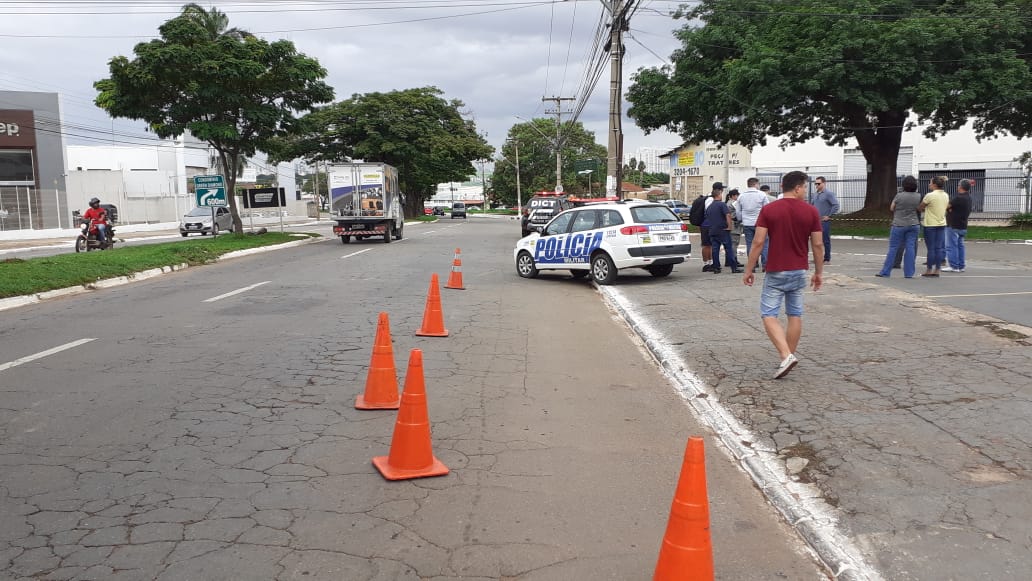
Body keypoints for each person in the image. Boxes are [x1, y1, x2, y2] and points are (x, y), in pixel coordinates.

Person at [742, 170, 823, 379]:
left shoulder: (769, 210)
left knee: (769, 314)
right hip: (799, 270)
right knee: (794, 314)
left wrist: (749, 269)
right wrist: (818, 272)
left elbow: (758, 242)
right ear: (797, 188)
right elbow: (818, 244)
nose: (805, 191)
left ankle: (786, 356)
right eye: (804, 187)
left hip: (776, 270)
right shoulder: (811, 211)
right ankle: (788, 356)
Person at [876, 176, 922, 278]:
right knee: (910, 247)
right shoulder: (918, 196)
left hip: (899, 224)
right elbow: (919, 208)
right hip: (914, 224)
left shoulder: (899, 195)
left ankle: (885, 271)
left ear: (904, 185)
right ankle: (909, 273)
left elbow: (892, 208)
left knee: (893, 248)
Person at [918, 176, 950, 277]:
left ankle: (929, 269)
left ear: (935, 185)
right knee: (938, 248)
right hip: (941, 223)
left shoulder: (929, 195)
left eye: (930, 183)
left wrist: (926, 208)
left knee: (931, 249)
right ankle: (937, 269)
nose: (929, 184)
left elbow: (920, 207)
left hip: (930, 224)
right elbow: (946, 207)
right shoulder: (946, 195)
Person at [704, 187, 741, 274]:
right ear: (719, 195)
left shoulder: (709, 207)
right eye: (721, 194)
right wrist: (729, 226)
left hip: (713, 230)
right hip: (723, 230)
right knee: (728, 248)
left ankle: (716, 267)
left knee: (715, 249)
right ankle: (733, 267)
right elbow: (728, 215)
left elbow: (708, 217)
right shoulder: (722, 204)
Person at [739, 178, 769, 270]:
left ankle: (752, 265)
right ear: (756, 184)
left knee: (750, 244)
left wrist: (741, 219)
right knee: (764, 243)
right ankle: (765, 265)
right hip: (761, 224)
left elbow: (738, 211)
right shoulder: (762, 195)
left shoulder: (741, 196)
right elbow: (767, 209)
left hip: (747, 223)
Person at [943, 179, 972, 272]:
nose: (957, 186)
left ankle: (954, 266)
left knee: (951, 246)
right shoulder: (969, 198)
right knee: (960, 246)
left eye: (958, 185)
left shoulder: (958, 198)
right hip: (963, 225)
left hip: (953, 225)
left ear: (961, 187)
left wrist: (950, 209)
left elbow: (946, 206)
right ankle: (961, 265)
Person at [812, 177, 840, 264]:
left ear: (824, 183)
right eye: (815, 183)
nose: (816, 185)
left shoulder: (829, 194)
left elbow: (836, 205)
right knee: (815, 241)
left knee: (825, 240)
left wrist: (829, 216)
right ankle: (817, 258)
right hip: (815, 221)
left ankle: (827, 258)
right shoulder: (815, 194)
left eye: (818, 183)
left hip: (824, 222)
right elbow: (812, 205)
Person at [698, 183, 724, 271]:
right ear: (719, 190)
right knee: (706, 245)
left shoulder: (710, 198)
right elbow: (709, 212)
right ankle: (706, 264)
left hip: (709, 225)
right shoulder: (710, 199)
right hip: (707, 225)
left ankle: (711, 262)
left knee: (711, 245)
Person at [726, 189, 743, 256]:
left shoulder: (728, 202)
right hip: (734, 226)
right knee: (734, 243)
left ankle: (731, 258)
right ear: (733, 196)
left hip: (732, 225)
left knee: (732, 243)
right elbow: (738, 213)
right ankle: (733, 259)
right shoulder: (734, 203)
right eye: (737, 195)